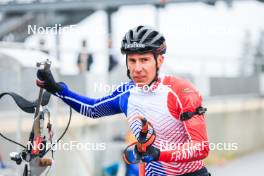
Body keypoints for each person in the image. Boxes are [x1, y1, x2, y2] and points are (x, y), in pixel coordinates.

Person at [36, 25, 210, 176]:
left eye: (144, 60)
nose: (137, 68)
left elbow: (201, 148)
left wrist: (158, 154)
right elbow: (93, 109)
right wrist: (58, 89)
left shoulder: (181, 91)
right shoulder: (127, 94)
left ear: (160, 60)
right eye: (132, 60)